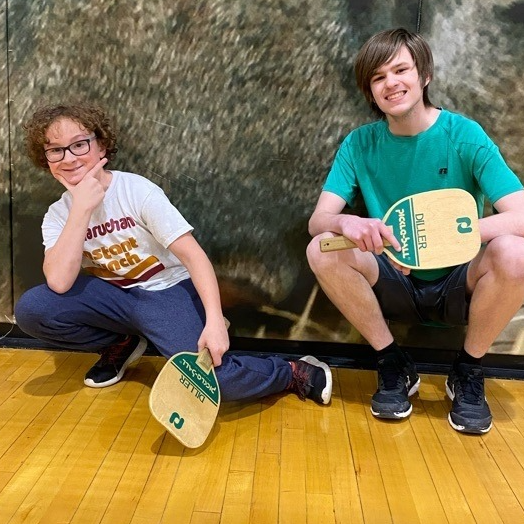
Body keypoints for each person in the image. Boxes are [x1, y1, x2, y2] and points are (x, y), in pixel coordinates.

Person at [15, 102, 332, 408]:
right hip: (114, 297)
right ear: (46, 159)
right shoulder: (59, 214)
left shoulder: (137, 191)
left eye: (79, 145)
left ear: (101, 147)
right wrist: (81, 208)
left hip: (166, 293)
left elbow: (195, 257)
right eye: (56, 149)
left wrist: (213, 321)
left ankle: (292, 372)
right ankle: (120, 345)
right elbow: (58, 281)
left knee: (215, 382)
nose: (69, 157)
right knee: (33, 309)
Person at [306, 28, 524, 434]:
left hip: (462, 277)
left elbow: (521, 215)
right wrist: (347, 223)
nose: (391, 83)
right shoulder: (359, 144)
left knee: (516, 252)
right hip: (393, 277)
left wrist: (453, 232)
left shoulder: (464, 135)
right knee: (321, 248)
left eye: (401, 69)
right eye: (378, 77)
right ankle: (392, 362)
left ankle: (468, 371)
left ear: (423, 75)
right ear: (370, 92)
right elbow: (318, 222)